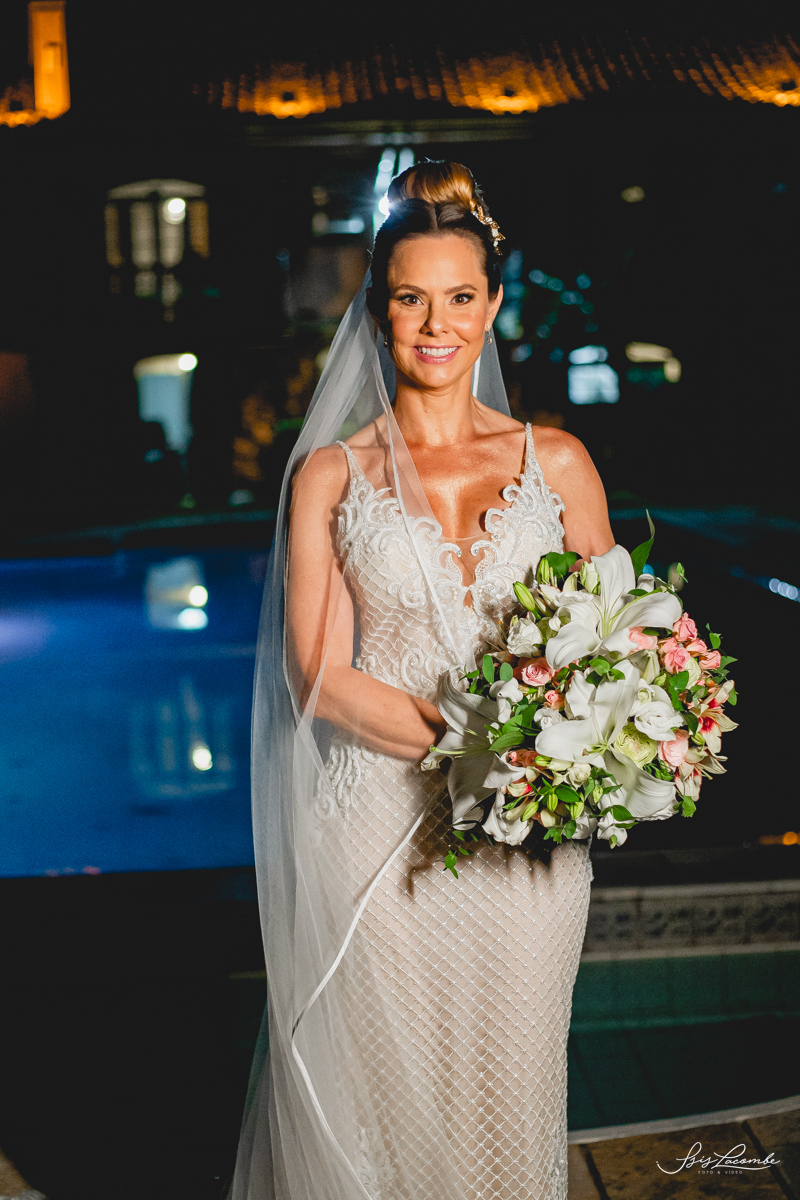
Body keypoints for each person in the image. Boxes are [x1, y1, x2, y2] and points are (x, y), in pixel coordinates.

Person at [231, 161, 614, 1200]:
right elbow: (316, 672)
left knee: (510, 1086)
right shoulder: (331, 475)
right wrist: (483, 745)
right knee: (385, 1110)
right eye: (410, 299)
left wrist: (570, 753)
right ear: (378, 312)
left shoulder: (561, 465)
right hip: (375, 832)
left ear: (491, 306)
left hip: (526, 844)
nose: (436, 324)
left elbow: (613, 645)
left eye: (459, 296)